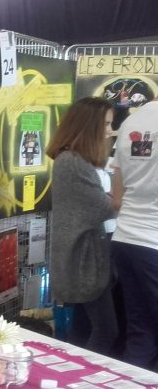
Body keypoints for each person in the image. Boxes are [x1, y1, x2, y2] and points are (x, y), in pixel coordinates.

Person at [46, 97, 117, 355]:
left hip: (84, 255)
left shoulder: (76, 161)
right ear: (89, 126)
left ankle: (72, 372)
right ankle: (86, 376)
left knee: (84, 327)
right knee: (105, 330)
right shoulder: (73, 162)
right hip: (82, 259)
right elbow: (102, 207)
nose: (110, 131)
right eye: (106, 124)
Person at [111, 96, 158, 368]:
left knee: (141, 330)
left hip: (126, 238)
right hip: (152, 241)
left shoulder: (132, 120)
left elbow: (117, 199)